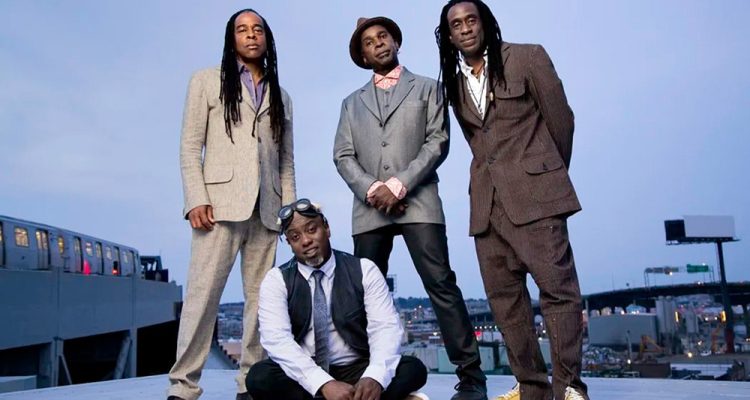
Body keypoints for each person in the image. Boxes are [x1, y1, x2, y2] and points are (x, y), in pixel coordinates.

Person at [435, 1, 587, 399]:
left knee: (558, 291)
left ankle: (569, 388)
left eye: (471, 20)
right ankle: (531, 388)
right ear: (449, 35)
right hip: (486, 207)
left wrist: (544, 177)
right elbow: (478, 142)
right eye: (456, 24)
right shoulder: (453, 82)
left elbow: (562, 121)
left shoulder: (527, 57)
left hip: (536, 198)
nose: (465, 28)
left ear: (484, 22)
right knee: (505, 301)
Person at [333, 16, 488, 400]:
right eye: (369, 42)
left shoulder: (429, 88)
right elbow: (342, 155)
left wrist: (399, 185)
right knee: (362, 295)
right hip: (369, 208)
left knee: (441, 284)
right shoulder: (350, 104)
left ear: (396, 41)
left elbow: (438, 142)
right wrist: (374, 189)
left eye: (383, 36)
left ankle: (471, 378)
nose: (378, 44)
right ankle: (364, 375)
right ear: (363, 56)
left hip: (419, 202)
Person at [168, 8, 296, 400]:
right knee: (202, 297)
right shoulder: (206, 81)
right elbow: (190, 146)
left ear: (267, 38)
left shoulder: (282, 95)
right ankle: (183, 386)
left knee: (262, 304)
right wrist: (196, 199)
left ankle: (250, 383)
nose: (251, 35)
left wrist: (290, 213)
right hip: (217, 208)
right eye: (242, 29)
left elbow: (286, 162)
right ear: (232, 38)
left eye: (258, 29)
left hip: (268, 212)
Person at [246, 199, 429, 400]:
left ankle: (359, 394)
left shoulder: (364, 270)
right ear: (289, 244)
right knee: (259, 377)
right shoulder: (277, 280)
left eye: (311, 230)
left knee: (413, 369)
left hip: (357, 367)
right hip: (306, 371)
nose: (306, 240)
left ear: (327, 228)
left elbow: (384, 328)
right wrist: (323, 383)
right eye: (295, 237)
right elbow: (277, 340)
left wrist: (374, 378)